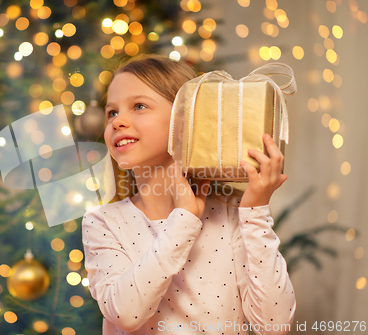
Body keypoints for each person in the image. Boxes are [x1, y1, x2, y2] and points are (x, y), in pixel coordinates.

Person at [82, 54, 295, 335]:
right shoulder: (103, 222)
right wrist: (183, 219)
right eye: (112, 112)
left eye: (139, 106)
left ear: (186, 119)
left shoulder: (232, 220)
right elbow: (125, 312)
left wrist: (255, 212)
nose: (118, 121)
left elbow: (274, 324)